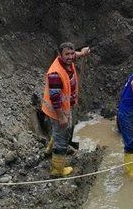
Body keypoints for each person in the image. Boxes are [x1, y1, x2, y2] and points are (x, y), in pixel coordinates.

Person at [41, 42, 91, 177]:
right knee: (62, 138)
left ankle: (49, 149)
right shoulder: (55, 73)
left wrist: (83, 52)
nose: (70, 57)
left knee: (58, 132)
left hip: (64, 107)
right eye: (67, 54)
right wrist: (62, 116)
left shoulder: (68, 60)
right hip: (57, 110)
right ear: (60, 55)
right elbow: (55, 98)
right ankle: (57, 170)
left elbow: (76, 55)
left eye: (71, 53)